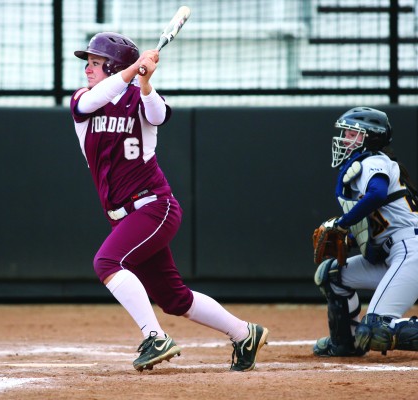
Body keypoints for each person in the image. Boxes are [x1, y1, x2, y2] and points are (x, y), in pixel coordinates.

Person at [69, 31, 269, 372]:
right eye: (88, 62)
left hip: (154, 207)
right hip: (122, 215)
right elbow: (95, 99)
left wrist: (145, 82)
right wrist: (133, 71)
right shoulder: (83, 99)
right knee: (174, 299)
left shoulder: (139, 97)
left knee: (106, 263)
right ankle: (244, 333)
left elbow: (158, 115)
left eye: (96, 62)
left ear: (113, 64)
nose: (88, 69)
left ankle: (154, 337)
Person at [313, 106, 418, 357]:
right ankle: (345, 343)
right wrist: (349, 237)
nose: (345, 138)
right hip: (395, 253)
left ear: (371, 136)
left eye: (352, 134)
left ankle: (367, 333)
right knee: (332, 274)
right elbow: (376, 225)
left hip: (410, 250)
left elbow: (377, 193)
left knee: (376, 330)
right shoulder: (364, 165)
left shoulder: (375, 160)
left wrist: (342, 223)